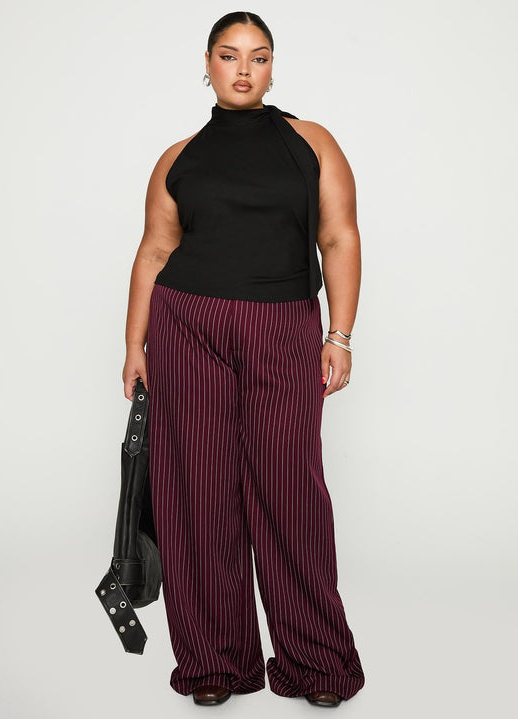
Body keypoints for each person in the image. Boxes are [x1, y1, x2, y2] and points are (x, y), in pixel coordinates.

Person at [122, 10, 365, 709]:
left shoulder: (310, 142)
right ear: (208, 65)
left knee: (290, 492)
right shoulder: (178, 157)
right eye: (229, 56)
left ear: (272, 68)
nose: (243, 69)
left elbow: (339, 237)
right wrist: (134, 343)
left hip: (283, 326)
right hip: (186, 326)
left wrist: (340, 335)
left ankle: (316, 662)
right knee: (196, 491)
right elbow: (154, 251)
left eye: (258, 57)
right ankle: (213, 661)